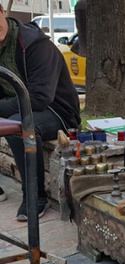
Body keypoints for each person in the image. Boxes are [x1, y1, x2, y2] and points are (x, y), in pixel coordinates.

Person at [0, 4, 81, 221]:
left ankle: (35, 197)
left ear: (2, 12)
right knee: (17, 118)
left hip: (58, 112)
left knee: (21, 124)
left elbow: (39, 97)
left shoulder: (34, 44)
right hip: (18, 107)